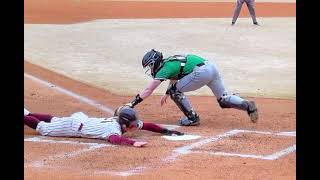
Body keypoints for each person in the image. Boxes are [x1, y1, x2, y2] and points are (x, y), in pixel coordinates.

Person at [125, 49, 258, 126]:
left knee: (175, 91)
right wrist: (167, 92)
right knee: (223, 100)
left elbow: (149, 90)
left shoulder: (163, 69)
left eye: (150, 65)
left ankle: (192, 118)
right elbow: (174, 77)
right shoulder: (169, 63)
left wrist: (132, 104)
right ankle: (247, 105)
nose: (150, 68)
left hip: (200, 72)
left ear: (155, 62)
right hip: (210, 67)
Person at [24, 106, 184, 148]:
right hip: (74, 126)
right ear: (125, 124)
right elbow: (115, 139)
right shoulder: (113, 130)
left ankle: (27, 113)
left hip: (81, 120)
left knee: (55, 119)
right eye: (133, 124)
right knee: (44, 128)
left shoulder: (121, 122)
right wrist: (133, 143)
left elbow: (146, 125)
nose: (136, 126)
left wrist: (166, 131)